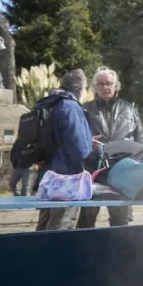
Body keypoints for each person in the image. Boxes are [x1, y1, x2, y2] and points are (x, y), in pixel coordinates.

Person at [34, 69, 99, 231]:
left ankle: (36, 254)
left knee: (45, 222)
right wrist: (90, 159)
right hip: (68, 179)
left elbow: (58, 137)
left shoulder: (51, 102)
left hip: (49, 177)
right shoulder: (71, 106)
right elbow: (79, 147)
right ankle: (57, 255)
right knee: (62, 223)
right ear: (80, 89)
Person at [79, 66, 143, 228]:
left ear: (116, 85)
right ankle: (86, 251)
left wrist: (139, 165)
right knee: (87, 217)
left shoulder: (130, 109)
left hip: (122, 169)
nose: (105, 87)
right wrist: (87, 142)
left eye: (109, 83)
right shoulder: (85, 109)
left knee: (120, 218)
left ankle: (119, 251)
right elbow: (76, 138)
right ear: (94, 88)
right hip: (92, 168)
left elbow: (140, 139)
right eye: (100, 84)